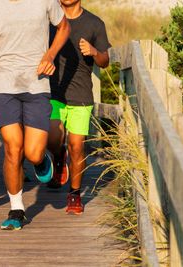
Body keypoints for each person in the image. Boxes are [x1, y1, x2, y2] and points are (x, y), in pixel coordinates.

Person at [0, 0, 70, 230]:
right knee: (13, 147)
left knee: (33, 153)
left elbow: (64, 27)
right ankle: (17, 208)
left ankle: (40, 159)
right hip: (3, 83)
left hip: (36, 82)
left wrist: (50, 55)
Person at [47, 0, 110, 215]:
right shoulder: (48, 20)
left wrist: (93, 51)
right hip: (53, 92)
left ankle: (74, 194)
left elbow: (105, 61)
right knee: (52, 138)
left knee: (76, 145)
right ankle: (58, 156)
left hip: (81, 94)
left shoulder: (94, 23)